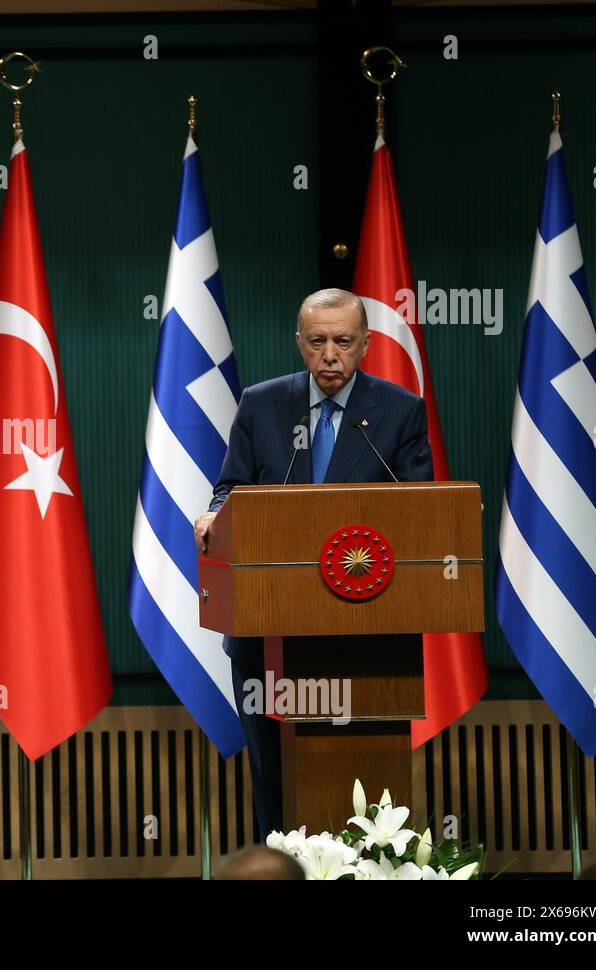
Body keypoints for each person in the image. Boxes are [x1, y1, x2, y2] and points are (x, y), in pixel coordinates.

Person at [192, 287, 433, 838]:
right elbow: (232, 486)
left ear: (366, 344)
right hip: (266, 631)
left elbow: (420, 511)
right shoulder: (261, 403)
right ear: (299, 344)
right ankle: (280, 866)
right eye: (318, 341)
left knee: (362, 782)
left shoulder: (399, 412)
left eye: (344, 342)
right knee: (273, 775)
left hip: (367, 634)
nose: (331, 356)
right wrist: (213, 515)